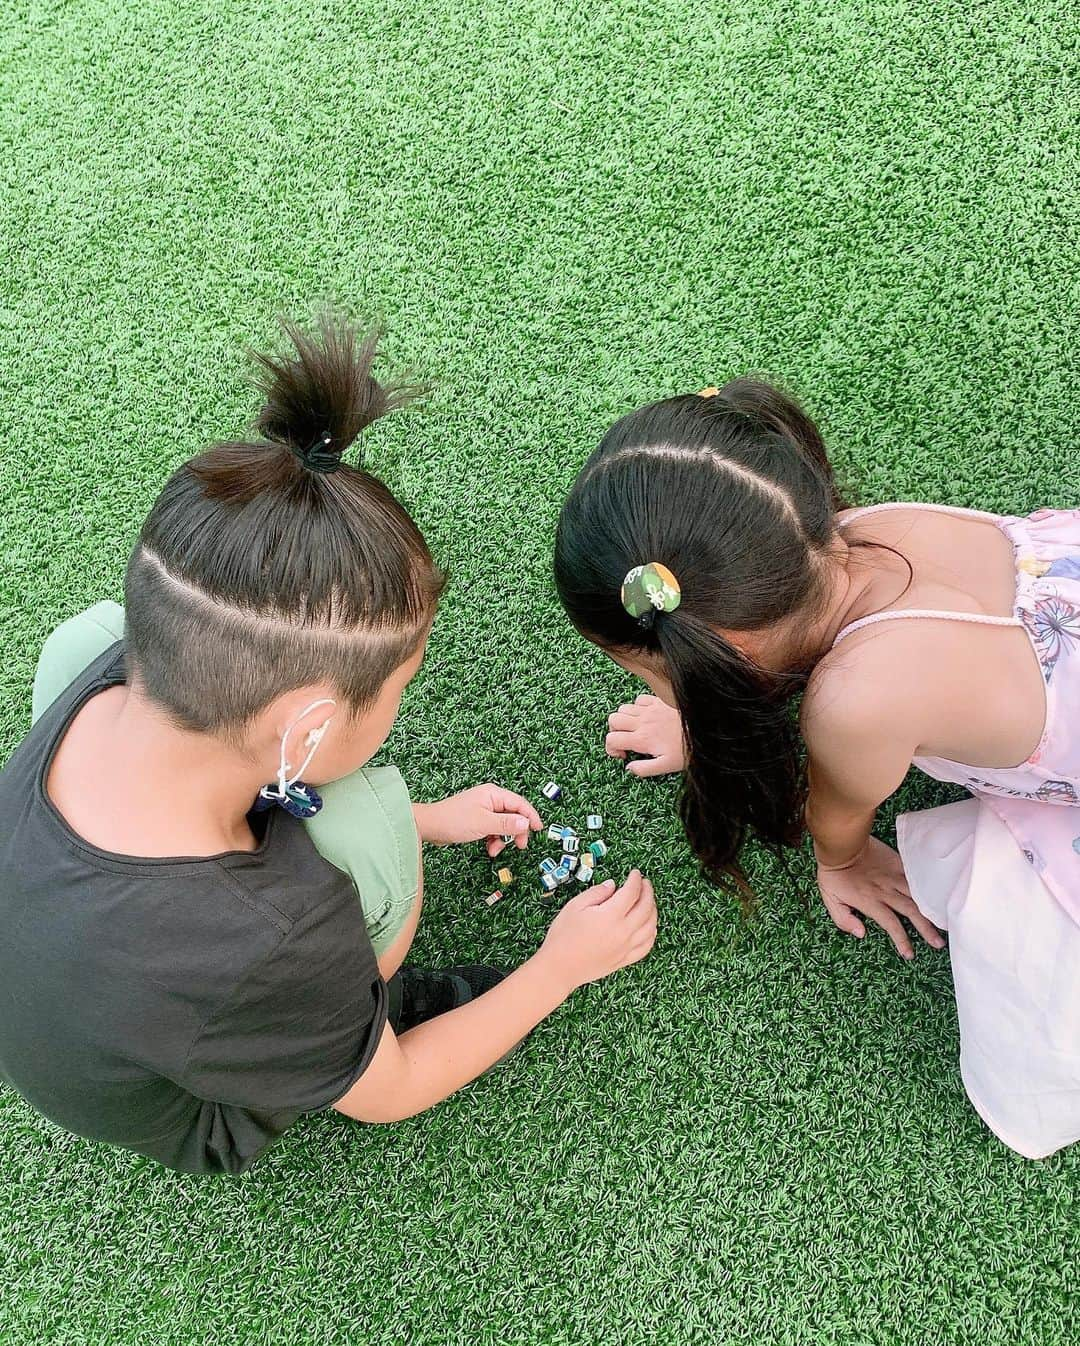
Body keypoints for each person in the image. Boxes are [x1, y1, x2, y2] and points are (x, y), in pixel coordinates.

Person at [0, 315, 656, 1175]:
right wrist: (559, 967)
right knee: (367, 828)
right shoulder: (281, 936)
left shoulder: (108, 666)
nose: (397, 709)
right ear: (308, 725)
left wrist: (434, 817)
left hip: (84, 1012)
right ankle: (357, 1009)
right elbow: (391, 1093)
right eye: (398, 689)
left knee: (85, 637)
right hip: (200, 1107)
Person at [553, 379, 1079, 1159]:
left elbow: (838, 812)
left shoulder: (855, 706)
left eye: (661, 675)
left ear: (728, 660)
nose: (655, 691)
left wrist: (846, 858)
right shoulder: (850, 536)